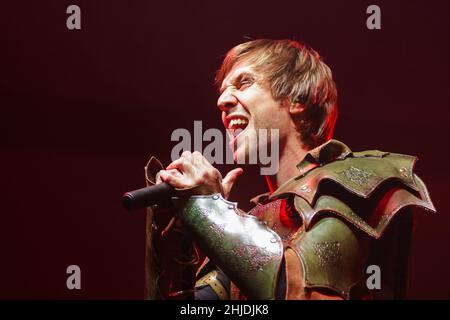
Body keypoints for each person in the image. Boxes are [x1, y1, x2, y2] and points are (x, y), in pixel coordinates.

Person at [142, 39, 435, 300]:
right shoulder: (253, 223)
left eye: (244, 83)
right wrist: (176, 232)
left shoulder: (363, 178)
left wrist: (210, 210)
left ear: (297, 99)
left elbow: (302, 294)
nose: (223, 101)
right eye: (223, 91)